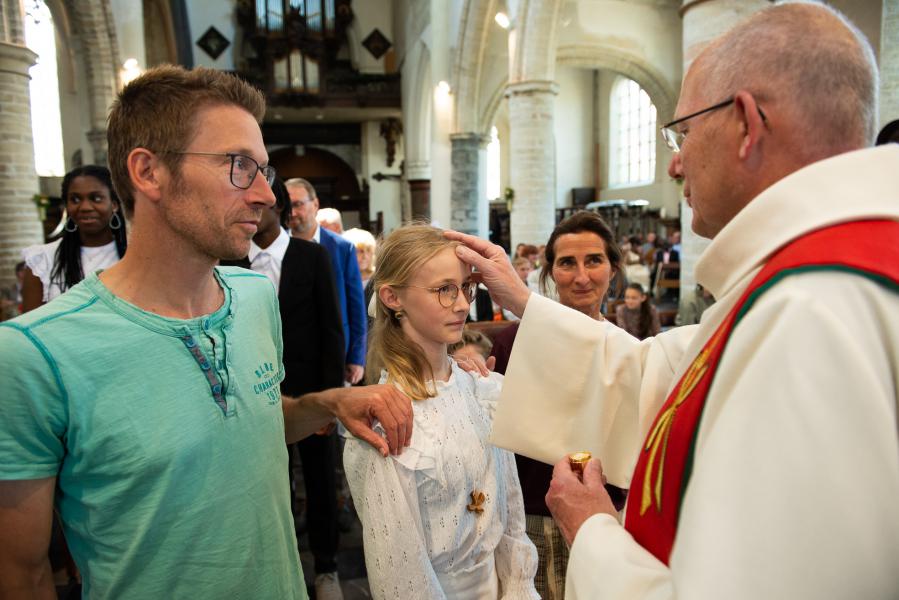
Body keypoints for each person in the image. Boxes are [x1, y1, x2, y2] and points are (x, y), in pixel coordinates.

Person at [448, 3, 899, 598]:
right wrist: (525, 301)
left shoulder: (814, 306)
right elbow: (654, 373)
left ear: (746, 123)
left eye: (683, 131)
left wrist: (594, 534)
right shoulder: (815, 276)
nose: (675, 161)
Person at [0, 65, 413, 599]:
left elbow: (249, 424)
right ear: (149, 172)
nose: (266, 195)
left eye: (264, 169)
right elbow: (23, 573)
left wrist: (328, 403)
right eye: (240, 166)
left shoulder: (255, 297)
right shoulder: (36, 353)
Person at [343, 224, 539, 599]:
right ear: (392, 297)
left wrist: (517, 588)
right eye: (444, 290)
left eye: (466, 287)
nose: (464, 304)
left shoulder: (481, 390)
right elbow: (400, 571)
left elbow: (511, 518)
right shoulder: (386, 419)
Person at [489, 211, 624, 600]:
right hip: (531, 516)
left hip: (606, 514)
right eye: (567, 263)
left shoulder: (627, 349)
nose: (581, 276)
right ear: (549, 272)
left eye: (594, 261)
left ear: (612, 269)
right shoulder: (512, 343)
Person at [236, 177, 348, 599]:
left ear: (278, 207)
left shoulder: (311, 256)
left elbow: (331, 330)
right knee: (269, 483)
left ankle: (327, 568)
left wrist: (329, 401)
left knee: (320, 482)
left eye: (258, 203)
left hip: (310, 390)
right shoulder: (232, 260)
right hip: (257, 395)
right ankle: (278, 566)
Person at [287, 178, 367, 385]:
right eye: (287, 206)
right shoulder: (279, 248)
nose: (292, 212)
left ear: (315, 204)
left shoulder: (342, 248)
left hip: (334, 350)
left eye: (297, 204)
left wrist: (357, 358)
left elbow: (355, 306)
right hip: (290, 354)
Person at [21, 165, 127, 312]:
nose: (85, 207)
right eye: (75, 199)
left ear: (114, 205)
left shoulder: (133, 255)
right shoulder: (43, 260)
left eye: (96, 198)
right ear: (67, 206)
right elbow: (28, 325)